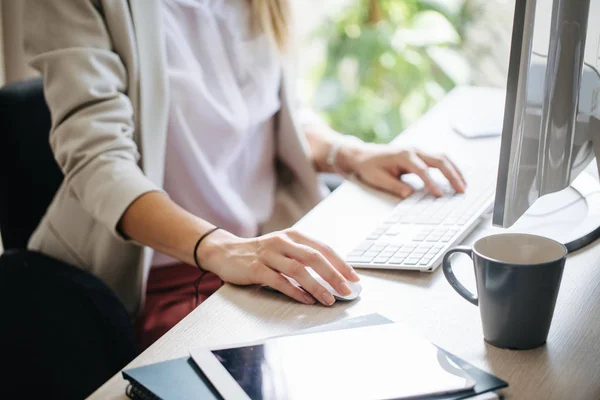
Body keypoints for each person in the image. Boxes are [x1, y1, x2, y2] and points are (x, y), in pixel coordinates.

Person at [24, 0, 466, 350]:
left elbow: (266, 115)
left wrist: (346, 152)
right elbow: (99, 164)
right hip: (167, 278)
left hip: (264, 252)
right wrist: (223, 249)